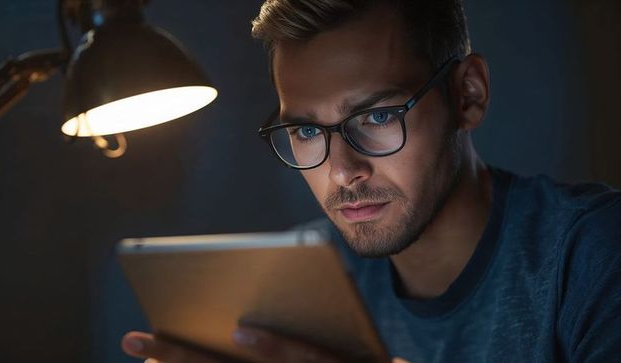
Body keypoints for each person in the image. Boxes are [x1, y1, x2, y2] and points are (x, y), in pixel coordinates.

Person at [121, 0, 621, 362]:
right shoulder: (296, 282)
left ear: (468, 94)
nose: (342, 171)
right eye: (307, 130)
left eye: (378, 118)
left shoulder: (592, 256)